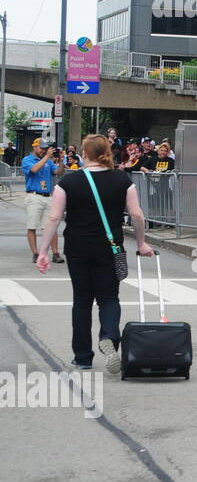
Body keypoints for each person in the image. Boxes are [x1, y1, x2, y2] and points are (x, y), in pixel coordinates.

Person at [35, 134, 155, 372]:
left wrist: (43, 251)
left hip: (78, 247)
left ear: (85, 153)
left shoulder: (68, 182)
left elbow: (54, 217)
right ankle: (109, 336)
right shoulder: (122, 180)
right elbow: (137, 215)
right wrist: (141, 243)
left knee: (81, 300)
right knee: (109, 298)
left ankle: (82, 357)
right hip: (110, 247)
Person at [24, 139, 65, 264]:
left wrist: (61, 161)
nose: (43, 151)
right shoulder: (27, 160)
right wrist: (46, 157)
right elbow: (34, 170)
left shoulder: (48, 161)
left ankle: (55, 253)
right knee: (32, 226)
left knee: (51, 226)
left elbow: (58, 172)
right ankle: (35, 253)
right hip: (34, 196)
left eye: (45, 149)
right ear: (34, 147)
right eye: (41, 148)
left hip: (48, 196)